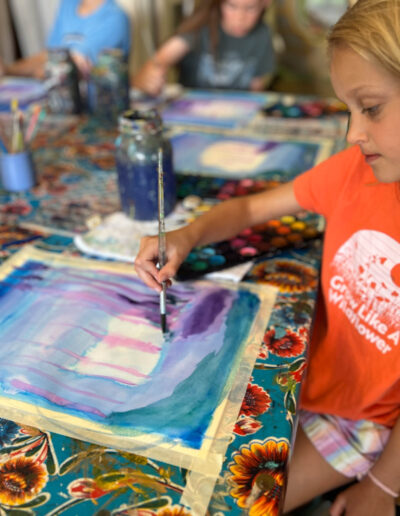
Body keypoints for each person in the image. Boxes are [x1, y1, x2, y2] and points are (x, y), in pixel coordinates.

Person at [134, 0, 400, 514]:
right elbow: (253, 206)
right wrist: (189, 235)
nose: (352, 133)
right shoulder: (352, 171)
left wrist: (383, 489)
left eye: (369, 107)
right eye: (347, 109)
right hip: (299, 372)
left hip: (358, 420)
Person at [132, 0, 275, 96]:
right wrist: (146, 77)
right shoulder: (199, 27)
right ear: (219, 3)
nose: (240, 17)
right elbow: (159, 60)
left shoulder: (262, 34)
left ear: (266, 3)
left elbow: (256, 88)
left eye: (250, 8)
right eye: (232, 6)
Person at [1, 0, 130, 79]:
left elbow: (69, 68)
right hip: (63, 109)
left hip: (95, 115)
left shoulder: (116, 17)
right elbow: (50, 55)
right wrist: (9, 70)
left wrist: (46, 71)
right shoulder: (68, 4)